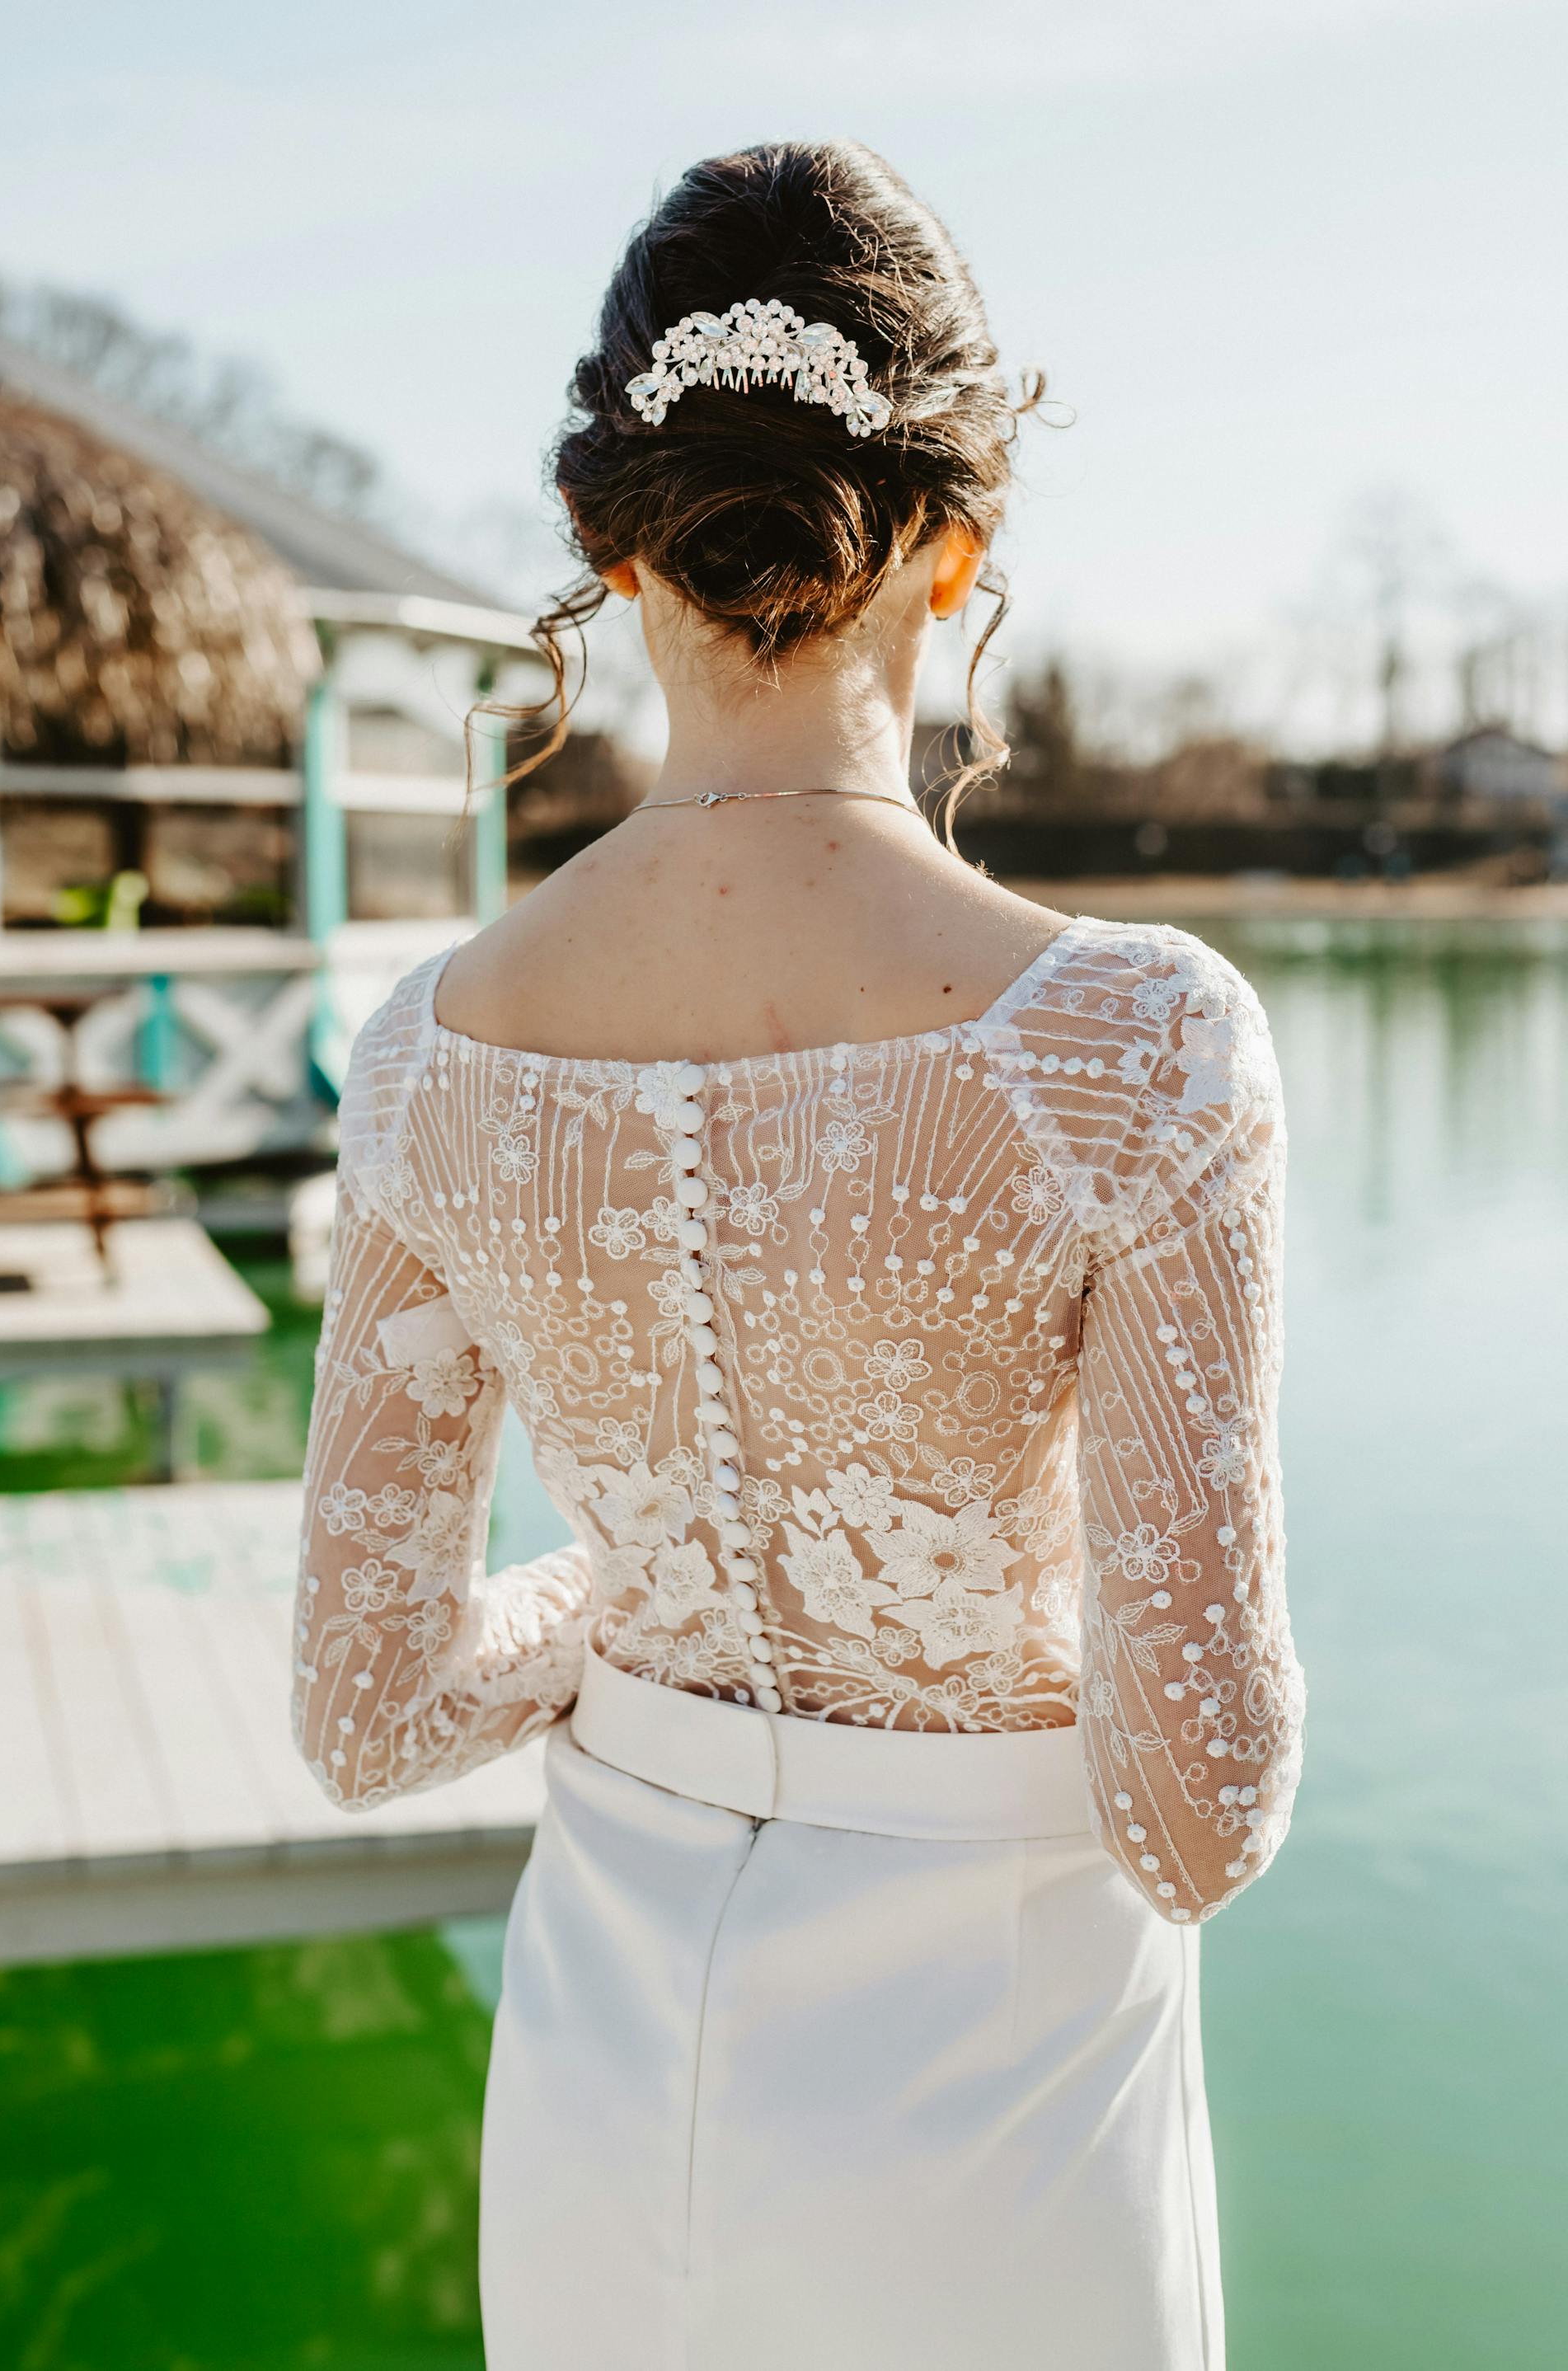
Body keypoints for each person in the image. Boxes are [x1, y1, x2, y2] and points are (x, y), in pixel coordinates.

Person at [294, 139, 1303, 2371]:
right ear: (954, 542)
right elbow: (1199, 1796)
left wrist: (614, 1593)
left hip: (600, 2081)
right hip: (1001, 2111)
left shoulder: (422, 1058)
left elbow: (365, 1712)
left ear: (608, 537)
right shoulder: (1130, 1046)